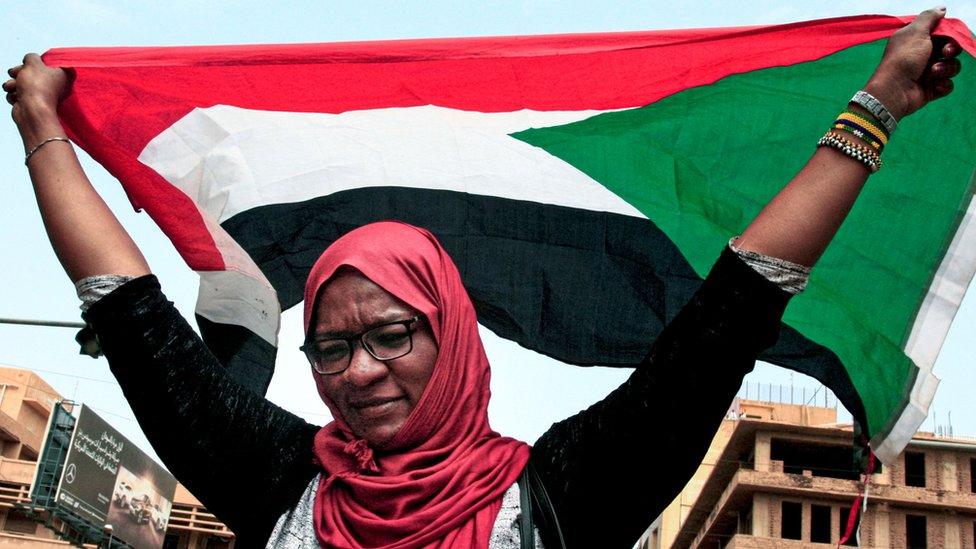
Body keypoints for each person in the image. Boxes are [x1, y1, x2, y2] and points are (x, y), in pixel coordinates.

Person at [5, 8, 962, 549]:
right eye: (331, 346)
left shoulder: (555, 499)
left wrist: (875, 110)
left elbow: (730, 316)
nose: (361, 370)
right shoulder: (283, 486)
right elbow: (132, 317)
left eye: (391, 333)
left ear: (452, 336)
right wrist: (43, 128)